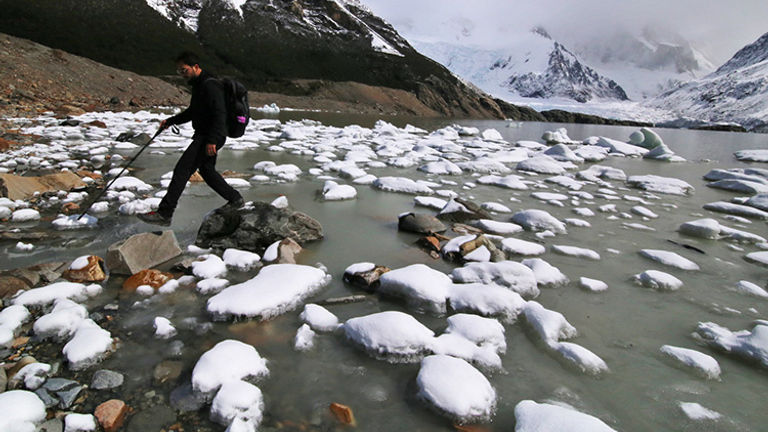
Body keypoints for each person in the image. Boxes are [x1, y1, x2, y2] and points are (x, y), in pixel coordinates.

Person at [138, 52, 243, 226]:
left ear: (195, 67)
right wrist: (170, 121)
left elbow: (220, 114)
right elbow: (193, 112)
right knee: (207, 171)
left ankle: (165, 214)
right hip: (208, 135)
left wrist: (212, 140)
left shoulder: (210, 85)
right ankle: (235, 199)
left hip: (210, 136)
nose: (182, 74)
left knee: (182, 170)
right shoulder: (200, 85)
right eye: (179, 71)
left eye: (184, 70)